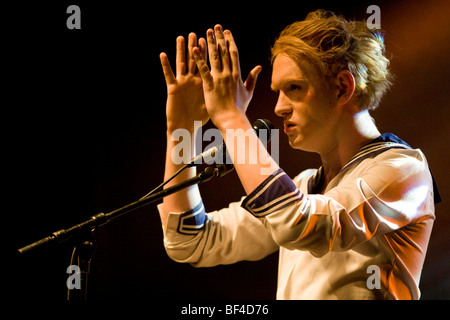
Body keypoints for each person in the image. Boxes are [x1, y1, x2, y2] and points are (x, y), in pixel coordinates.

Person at [157, 10, 439, 299]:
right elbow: (189, 240)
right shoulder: (303, 186)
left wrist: (231, 120)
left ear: (343, 87)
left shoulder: (403, 169)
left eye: (294, 88)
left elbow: (298, 223)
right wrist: (182, 130)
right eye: (278, 91)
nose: (279, 107)